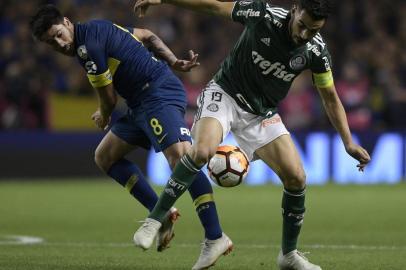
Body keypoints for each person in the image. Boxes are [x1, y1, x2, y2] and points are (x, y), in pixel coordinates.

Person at [132, 0, 372, 269]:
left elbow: (329, 97)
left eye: (313, 30)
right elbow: (213, 6)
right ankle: (155, 219)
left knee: (297, 177)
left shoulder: (316, 51)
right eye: (302, 25)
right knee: (201, 152)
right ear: (295, 10)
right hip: (225, 94)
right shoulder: (262, 14)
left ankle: (288, 255)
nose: (303, 34)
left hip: (262, 114)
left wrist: (348, 141)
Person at [29, 4, 232, 267]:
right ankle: (163, 212)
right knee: (105, 157)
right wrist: (173, 60)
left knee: (183, 159)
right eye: (51, 43)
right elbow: (147, 35)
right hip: (140, 103)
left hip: (158, 93)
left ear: (67, 22)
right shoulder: (98, 26)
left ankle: (215, 236)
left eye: (58, 34)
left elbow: (109, 99)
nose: (59, 44)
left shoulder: (86, 47)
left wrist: (103, 114)